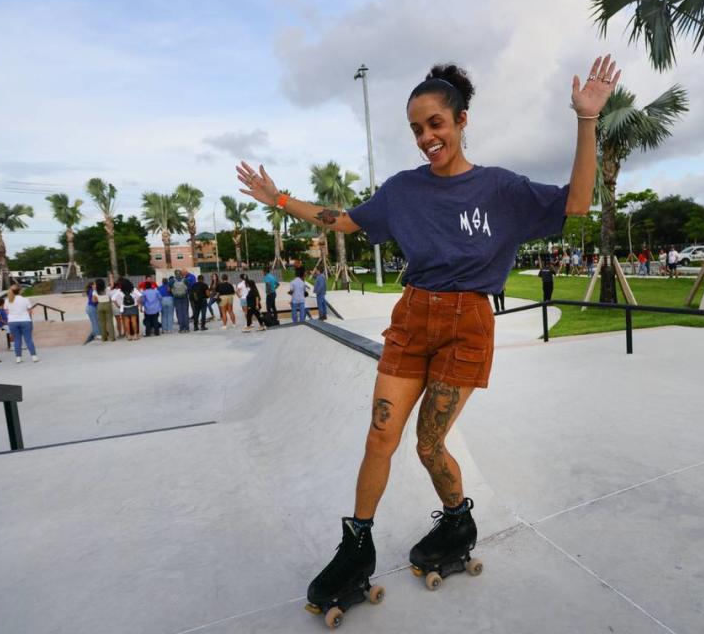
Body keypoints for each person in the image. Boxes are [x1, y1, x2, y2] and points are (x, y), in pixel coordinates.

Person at [236, 56, 612, 609]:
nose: (426, 137)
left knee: (429, 444)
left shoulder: (500, 189)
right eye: (416, 129)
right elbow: (345, 219)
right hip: (412, 318)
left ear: (461, 121)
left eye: (435, 123)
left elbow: (577, 203)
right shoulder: (403, 191)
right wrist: (281, 200)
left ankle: (458, 525)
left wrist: (586, 121)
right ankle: (357, 546)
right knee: (379, 437)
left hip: (467, 326)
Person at [5, 284, 38, 363]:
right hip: (25, 320)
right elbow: (30, 310)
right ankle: (34, 357)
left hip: (12, 321)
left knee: (17, 340)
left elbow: (6, 312)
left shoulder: (7, 300)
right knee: (28, 339)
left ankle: (18, 358)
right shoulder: (25, 299)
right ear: (20, 291)